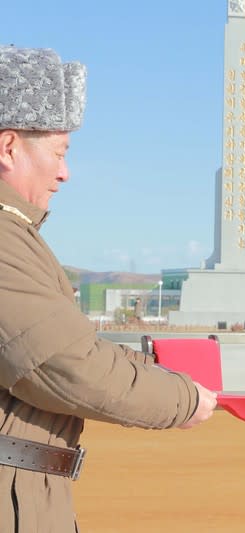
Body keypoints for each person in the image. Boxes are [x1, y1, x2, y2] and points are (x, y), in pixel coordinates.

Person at [0, 45, 218, 532]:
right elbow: (64, 366)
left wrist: (155, 368)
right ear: (8, 146)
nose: (65, 172)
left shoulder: (15, 234)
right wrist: (182, 398)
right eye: (59, 152)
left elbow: (64, 345)